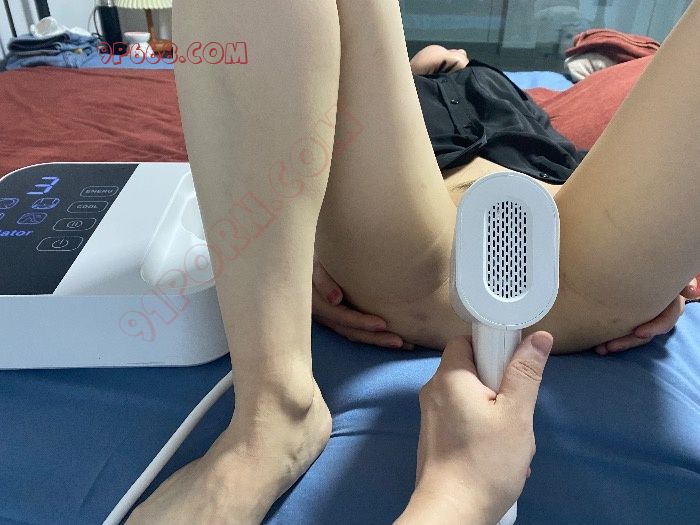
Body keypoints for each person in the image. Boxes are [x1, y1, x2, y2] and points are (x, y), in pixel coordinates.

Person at [128, 0, 700, 522]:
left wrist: (671, 253)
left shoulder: (516, 100)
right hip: (447, 260)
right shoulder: (384, 90)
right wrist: (290, 245)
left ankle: (271, 417)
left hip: (554, 240)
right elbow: (282, 99)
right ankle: (271, 413)